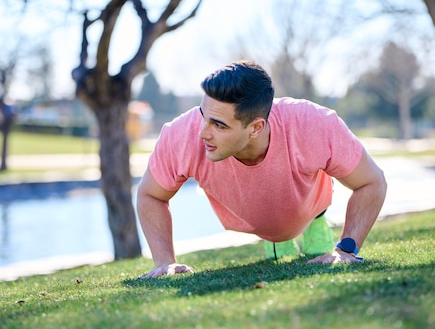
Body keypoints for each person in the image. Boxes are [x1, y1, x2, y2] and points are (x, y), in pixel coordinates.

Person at [137, 60, 387, 278]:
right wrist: (165, 262)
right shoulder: (180, 134)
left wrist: (346, 249)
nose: (202, 132)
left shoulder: (314, 123)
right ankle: (278, 239)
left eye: (219, 125)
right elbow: (150, 194)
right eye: (203, 115)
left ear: (256, 127)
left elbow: (372, 182)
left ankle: (316, 222)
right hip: (254, 214)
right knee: (276, 230)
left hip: (308, 197)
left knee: (305, 216)